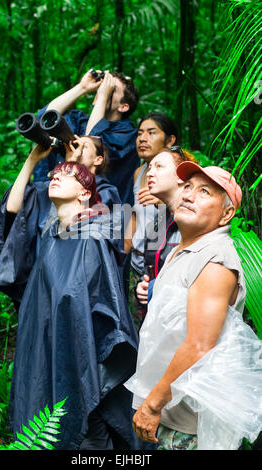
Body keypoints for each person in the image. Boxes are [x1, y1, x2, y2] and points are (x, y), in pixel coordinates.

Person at [0, 144, 146, 450]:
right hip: (47, 352)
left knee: (87, 436)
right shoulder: (49, 236)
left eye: (69, 173)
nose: (57, 175)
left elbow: (101, 315)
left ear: (85, 193)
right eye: (55, 172)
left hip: (84, 366)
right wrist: (33, 158)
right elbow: (12, 212)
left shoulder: (93, 239)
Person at [125, 162, 262, 450]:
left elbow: (200, 344)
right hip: (169, 410)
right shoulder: (182, 250)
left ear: (227, 213)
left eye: (204, 191)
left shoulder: (215, 260)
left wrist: (151, 405)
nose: (188, 195)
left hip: (188, 426)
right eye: (187, 187)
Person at [33, 69, 140, 206]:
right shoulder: (81, 121)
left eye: (111, 89)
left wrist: (102, 97)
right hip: (60, 208)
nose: (103, 90)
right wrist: (82, 87)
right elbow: (44, 120)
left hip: (101, 215)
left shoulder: (129, 135)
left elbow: (90, 145)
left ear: (123, 107)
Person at [123, 112, 179, 328]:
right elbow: (134, 215)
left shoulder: (182, 170)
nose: (142, 138)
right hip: (139, 266)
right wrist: (122, 251)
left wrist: (165, 199)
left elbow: (194, 211)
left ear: (170, 140)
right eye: (139, 133)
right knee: (143, 328)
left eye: (151, 132)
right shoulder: (139, 172)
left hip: (167, 264)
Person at [135, 147, 197, 318]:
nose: (149, 173)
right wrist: (142, 287)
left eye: (159, 167)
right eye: (150, 167)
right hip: (157, 323)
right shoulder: (158, 222)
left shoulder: (197, 219)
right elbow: (149, 271)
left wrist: (156, 287)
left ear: (180, 175)